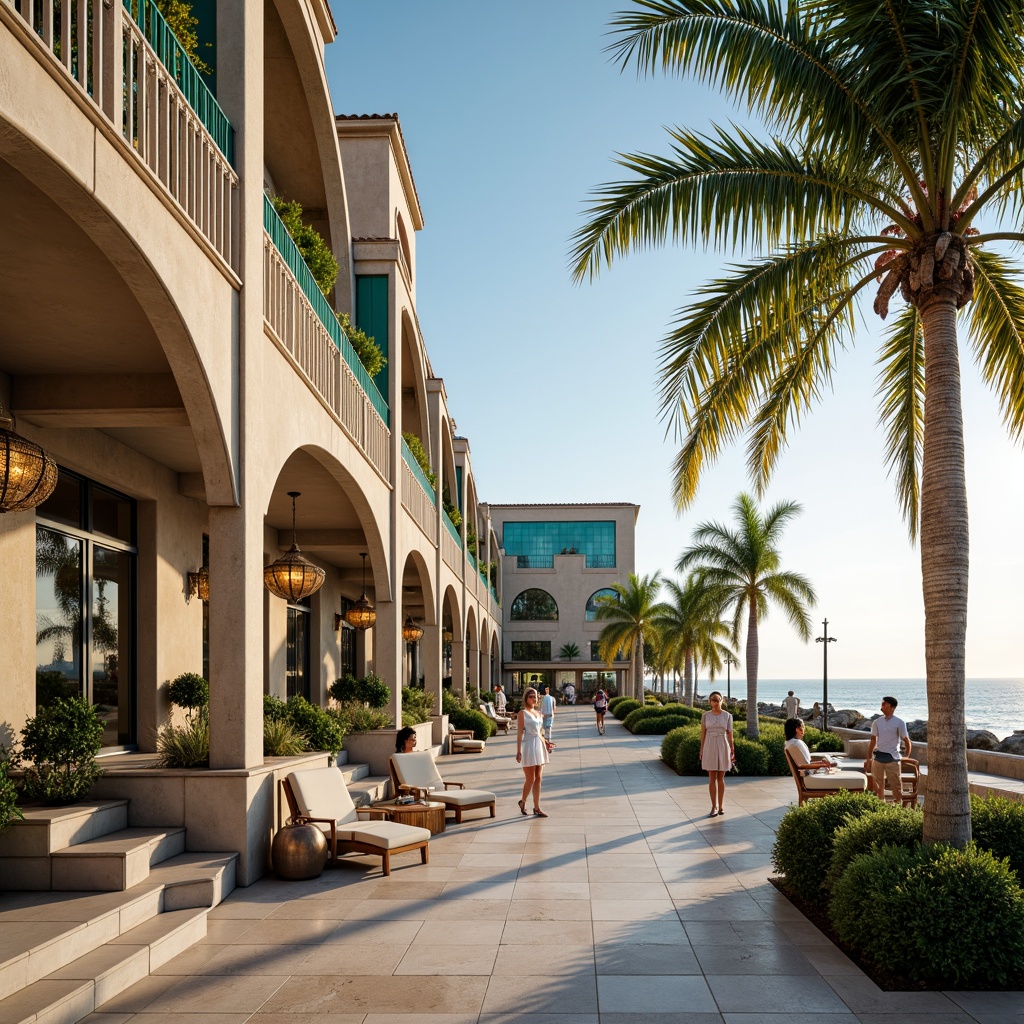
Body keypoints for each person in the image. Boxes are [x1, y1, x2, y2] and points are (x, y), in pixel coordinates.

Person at [783, 718, 867, 791]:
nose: (804, 730)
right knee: (853, 776)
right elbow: (804, 766)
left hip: (808, 775)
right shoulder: (797, 744)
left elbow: (804, 765)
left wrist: (821, 763)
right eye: (803, 727)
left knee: (837, 767)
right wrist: (822, 764)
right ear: (797, 729)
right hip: (810, 778)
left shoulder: (790, 743)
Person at [864, 696, 911, 800]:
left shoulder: (899, 722)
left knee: (896, 786)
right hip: (878, 758)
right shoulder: (877, 722)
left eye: (884, 703)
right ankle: (880, 806)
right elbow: (873, 740)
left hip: (893, 759)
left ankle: (898, 807)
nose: (882, 705)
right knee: (877, 786)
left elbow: (906, 740)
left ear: (892, 706)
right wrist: (869, 758)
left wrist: (907, 756)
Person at [516, 687, 551, 816]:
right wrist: (518, 751)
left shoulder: (538, 713)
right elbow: (519, 733)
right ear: (526, 697)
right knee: (530, 778)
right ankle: (523, 801)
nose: (534, 698)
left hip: (539, 744)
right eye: (531, 696)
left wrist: (546, 742)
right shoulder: (522, 713)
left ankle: (537, 807)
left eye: (535, 696)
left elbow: (540, 732)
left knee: (539, 778)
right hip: (529, 745)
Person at [699, 691, 735, 817]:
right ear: (709, 701)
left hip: (723, 744)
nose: (715, 702)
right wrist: (701, 749)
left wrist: (732, 749)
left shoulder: (728, 716)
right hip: (709, 744)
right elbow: (703, 733)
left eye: (717, 700)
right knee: (711, 777)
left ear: (721, 701)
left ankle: (721, 806)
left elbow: (730, 733)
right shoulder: (705, 716)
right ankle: (713, 806)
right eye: (713, 700)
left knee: (721, 777)